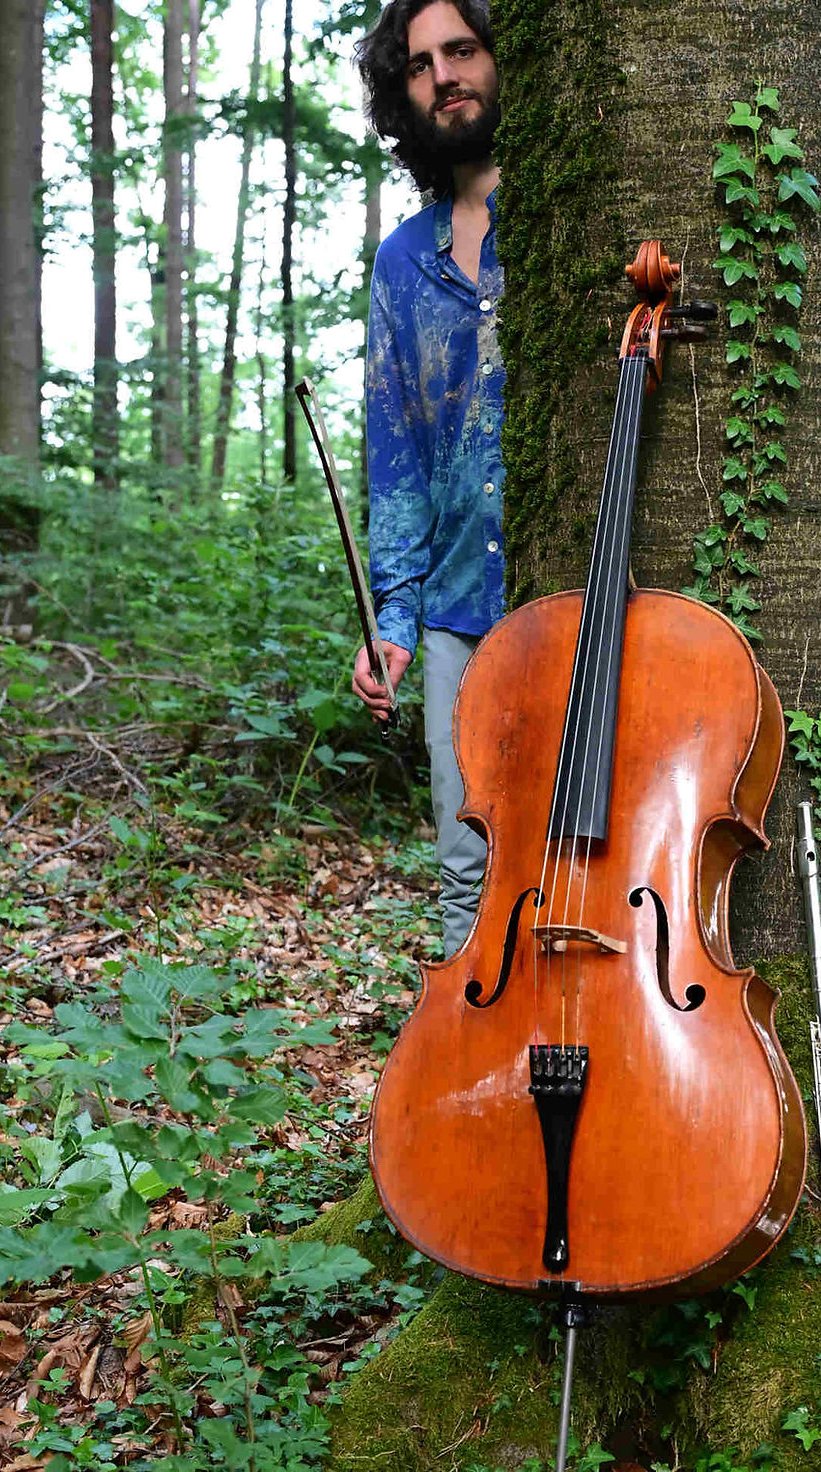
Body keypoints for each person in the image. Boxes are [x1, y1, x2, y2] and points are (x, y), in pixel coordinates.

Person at [352, 0, 502, 955]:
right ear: (402, 91)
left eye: (463, 49)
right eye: (420, 63)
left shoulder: (572, 220)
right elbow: (396, 458)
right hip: (455, 609)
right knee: (464, 868)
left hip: (576, 592)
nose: (444, 74)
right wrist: (394, 623)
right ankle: (467, 1088)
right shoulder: (403, 261)